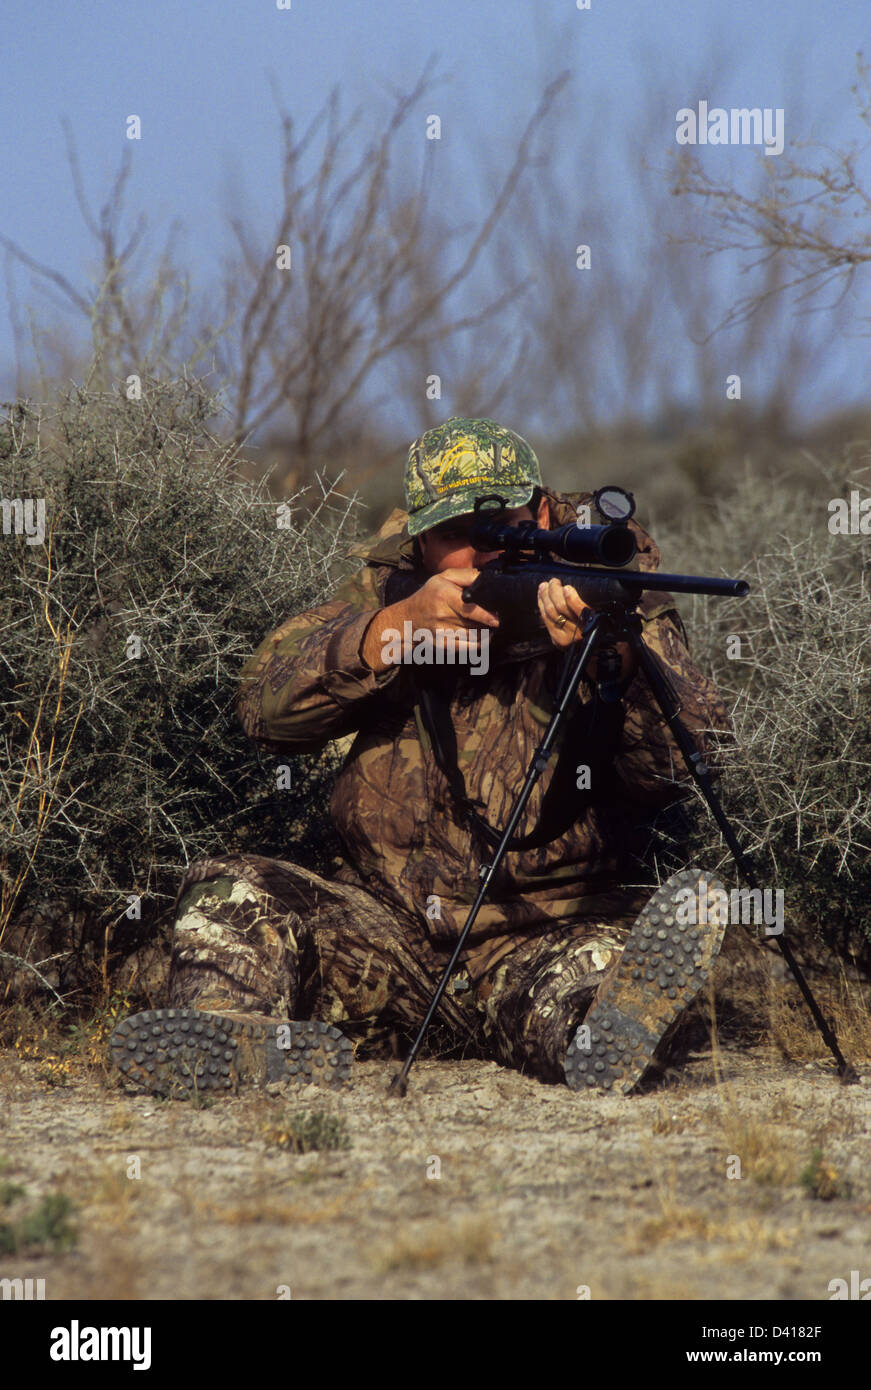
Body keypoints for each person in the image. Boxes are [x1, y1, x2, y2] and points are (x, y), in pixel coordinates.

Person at [110, 417, 732, 1099]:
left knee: (595, 982)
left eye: (505, 522)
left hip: (543, 931)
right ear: (417, 539)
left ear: (544, 512)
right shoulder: (391, 592)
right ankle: (228, 1041)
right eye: (452, 535)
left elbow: (679, 771)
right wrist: (391, 633)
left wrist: (612, 662)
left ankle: (599, 1037)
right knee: (236, 890)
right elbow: (263, 712)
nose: (483, 551)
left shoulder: (610, 589)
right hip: (383, 931)